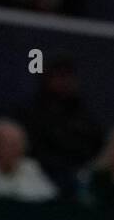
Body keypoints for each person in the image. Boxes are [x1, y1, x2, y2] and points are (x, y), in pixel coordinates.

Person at [24, 55, 102, 198]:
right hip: (43, 175)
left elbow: (94, 143)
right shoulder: (33, 111)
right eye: (59, 76)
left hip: (80, 175)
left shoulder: (82, 112)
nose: (65, 82)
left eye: (68, 76)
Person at [0, 118, 57, 201]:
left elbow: (49, 195)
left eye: (15, 145)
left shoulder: (31, 167)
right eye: (4, 144)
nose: (11, 150)